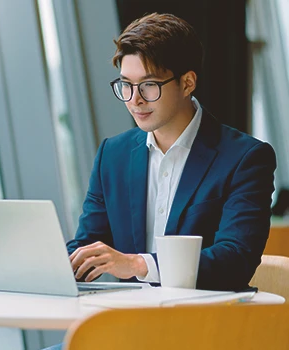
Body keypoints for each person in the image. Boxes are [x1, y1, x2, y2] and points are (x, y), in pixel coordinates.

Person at [43, 12, 276, 349]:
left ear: (187, 83)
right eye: (125, 84)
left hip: (207, 332)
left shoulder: (245, 157)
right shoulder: (114, 154)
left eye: (149, 85)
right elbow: (89, 242)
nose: (134, 99)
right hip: (129, 327)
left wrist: (139, 264)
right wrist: (50, 264)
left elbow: (235, 258)